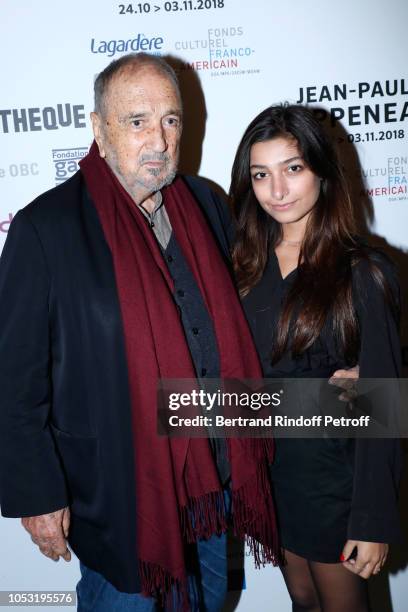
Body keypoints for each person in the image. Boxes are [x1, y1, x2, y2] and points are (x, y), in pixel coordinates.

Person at [0, 53, 280, 611]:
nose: (159, 139)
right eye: (137, 121)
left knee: (213, 596)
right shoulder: (46, 229)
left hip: (212, 485)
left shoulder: (205, 205)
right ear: (99, 130)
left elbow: (249, 317)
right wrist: (38, 494)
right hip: (120, 491)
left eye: (171, 119)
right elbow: (14, 382)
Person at [230, 104, 402, 612]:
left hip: (335, 479)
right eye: (261, 174)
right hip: (274, 474)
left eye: (293, 169)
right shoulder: (241, 267)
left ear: (323, 173)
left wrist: (372, 520)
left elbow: (384, 409)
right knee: (302, 601)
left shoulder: (363, 271)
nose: (277, 191)